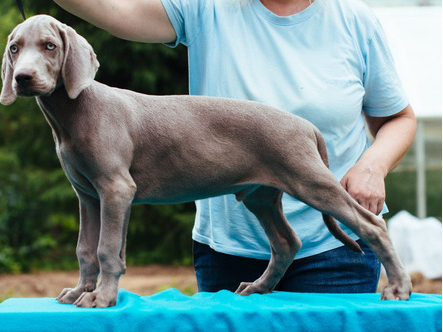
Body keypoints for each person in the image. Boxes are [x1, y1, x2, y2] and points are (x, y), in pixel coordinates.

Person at [53, 0, 417, 293]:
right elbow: (114, 8)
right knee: (262, 204)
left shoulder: (354, 19)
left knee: (330, 204)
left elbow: (398, 118)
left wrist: (374, 165)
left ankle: (397, 273)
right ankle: (279, 258)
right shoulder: (205, 7)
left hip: (336, 255)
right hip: (225, 250)